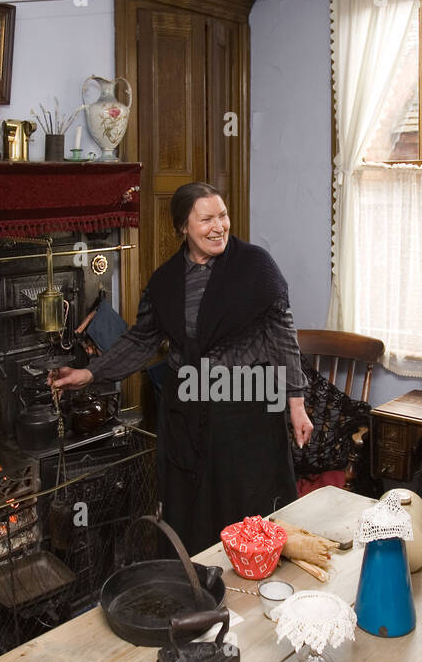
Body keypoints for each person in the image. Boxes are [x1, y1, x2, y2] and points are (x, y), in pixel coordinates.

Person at [50, 182, 312, 553]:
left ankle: (255, 581)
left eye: (222, 215)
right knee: (194, 515)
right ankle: (200, 586)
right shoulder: (166, 281)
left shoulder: (256, 266)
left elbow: (282, 333)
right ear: (183, 228)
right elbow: (142, 339)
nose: (219, 226)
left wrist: (295, 403)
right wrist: (90, 373)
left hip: (247, 411)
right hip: (187, 414)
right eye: (206, 219)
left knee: (249, 511)